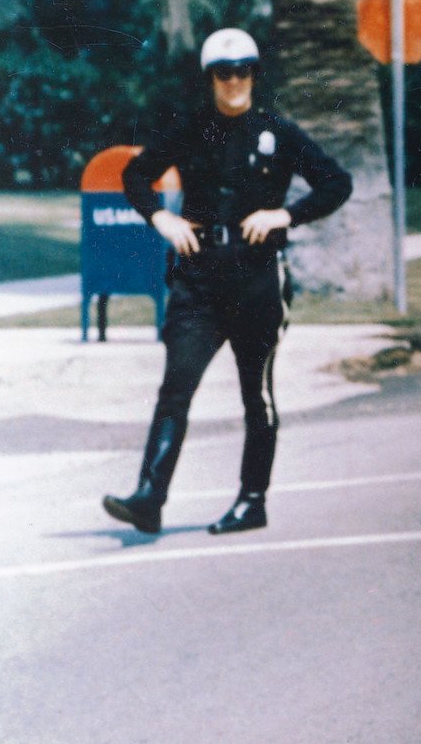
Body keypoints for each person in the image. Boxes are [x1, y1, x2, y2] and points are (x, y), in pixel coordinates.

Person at [103, 29, 352, 536]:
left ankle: (252, 499)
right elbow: (135, 174)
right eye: (223, 72)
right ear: (210, 78)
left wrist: (286, 215)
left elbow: (336, 183)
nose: (234, 80)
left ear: (255, 74)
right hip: (199, 278)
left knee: (254, 396)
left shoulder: (277, 133)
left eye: (243, 70)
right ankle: (150, 497)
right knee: (176, 388)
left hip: (257, 277)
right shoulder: (190, 129)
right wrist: (161, 219)